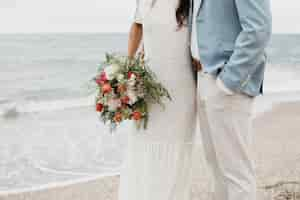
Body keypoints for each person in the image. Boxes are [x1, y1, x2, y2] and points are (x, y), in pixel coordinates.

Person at [191, 0, 272, 199]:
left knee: (237, 173)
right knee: (217, 169)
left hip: (225, 81)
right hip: (203, 77)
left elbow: (259, 29)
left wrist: (228, 82)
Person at [118, 0, 197, 200]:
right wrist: (128, 71)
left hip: (181, 90)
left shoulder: (192, 2)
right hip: (149, 88)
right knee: (143, 146)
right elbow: (136, 26)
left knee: (175, 152)